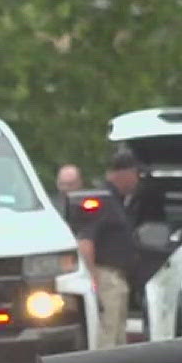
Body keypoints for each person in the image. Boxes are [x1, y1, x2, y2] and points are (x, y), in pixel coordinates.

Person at [77, 149, 141, 348]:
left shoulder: (117, 201)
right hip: (106, 277)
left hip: (117, 279)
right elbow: (85, 241)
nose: (137, 180)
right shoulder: (103, 200)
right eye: (136, 174)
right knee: (108, 335)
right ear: (125, 173)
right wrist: (93, 277)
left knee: (118, 336)